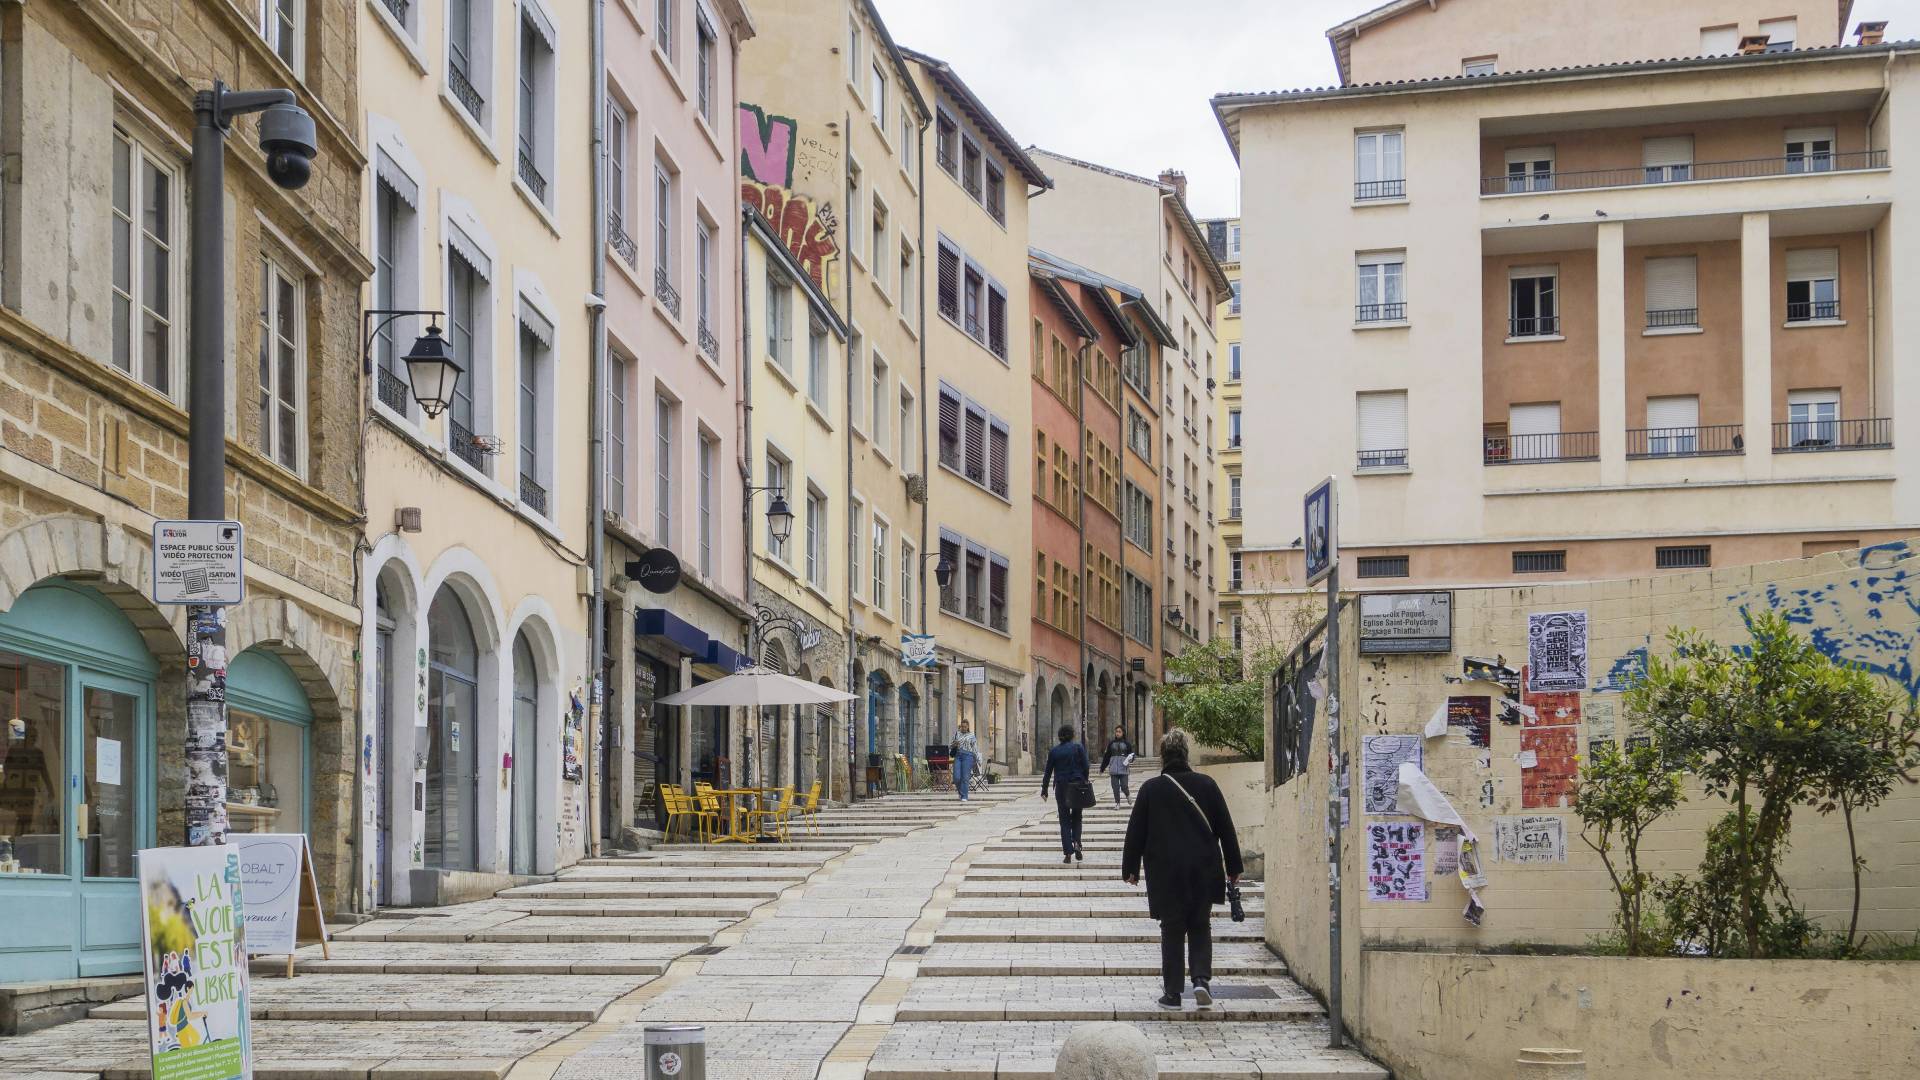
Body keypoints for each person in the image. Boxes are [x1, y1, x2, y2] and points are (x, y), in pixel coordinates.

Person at [1121, 728, 1243, 1010]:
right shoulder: (1207, 785)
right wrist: (1234, 867)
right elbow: (1226, 828)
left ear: (1163, 756)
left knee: (1172, 929)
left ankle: (1173, 993)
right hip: (1203, 867)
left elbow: (1135, 831)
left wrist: (1130, 869)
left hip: (1166, 872)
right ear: (1186, 755)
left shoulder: (1151, 789)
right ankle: (1201, 980)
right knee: (1200, 924)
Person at [1039, 723, 1090, 863]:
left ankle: (1068, 853)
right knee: (1077, 816)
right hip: (1077, 786)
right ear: (1072, 735)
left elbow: (1048, 772)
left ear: (1060, 736)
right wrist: (1085, 779)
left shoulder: (1054, 751)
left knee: (1064, 819)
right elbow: (1086, 766)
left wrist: (1044, 789)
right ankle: (1077, 843)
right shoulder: (1078, 747)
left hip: (1061, 787)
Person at [1099, 725, 1135, 805]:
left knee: (1124, 786)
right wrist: (1102, 768)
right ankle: (1117, 803)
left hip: (1124, 769)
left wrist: (1131, 758)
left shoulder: (1127, 744)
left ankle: (1127, 795)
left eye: (1119, 732)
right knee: (1115, 787)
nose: (1117, 733)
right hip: (1113, 769)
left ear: (1123, 733)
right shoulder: (1111, 744)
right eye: (1116, 732)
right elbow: (1106, 757)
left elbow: (1132, 755)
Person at [952, 720, 979, 801]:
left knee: (965, 777)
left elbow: (975, 748)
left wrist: (977, 759)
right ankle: (961, 792)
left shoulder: (971, 735)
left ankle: (964, 796)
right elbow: (951, 746)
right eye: (962, 726)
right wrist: (954, 744)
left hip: (968, 756)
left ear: (967, 727)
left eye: (964, 726)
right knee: (956, 777)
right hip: (958, 756)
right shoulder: (957, 734)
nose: (963, 728)